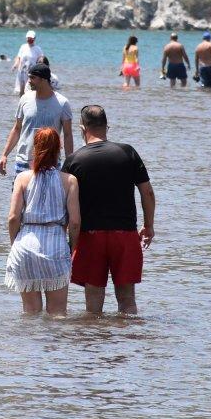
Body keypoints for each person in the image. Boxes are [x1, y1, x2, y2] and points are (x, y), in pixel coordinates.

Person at [62, 105, 155, 315]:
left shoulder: (74, 160)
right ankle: (128, 343)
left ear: (81, 128)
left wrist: (67, 238)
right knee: (127, 301)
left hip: (90, 237)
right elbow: (147, 192)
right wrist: (148, 225)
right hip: (125, 236)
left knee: (93, 305)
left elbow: (65, 204)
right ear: (107, 126)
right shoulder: (127, 152)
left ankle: (96, 344)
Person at [4, 127, 81, 315]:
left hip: (25, 244)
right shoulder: (70, 180)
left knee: (30, 313)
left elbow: (13, 218)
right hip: (55, 245)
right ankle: (53, 345)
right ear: (59, 149)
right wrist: (72, 247)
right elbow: (75, 222)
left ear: (35, 149)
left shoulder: (22, 178)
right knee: (57, 313)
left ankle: (30, 344)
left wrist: (15, 243)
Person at [0, 64, 74, 175]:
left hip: (51, 163)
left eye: (32, 78)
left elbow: (67, 135)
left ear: (43, 80)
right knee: (18, 192)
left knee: (50, 193)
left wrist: (69, 163)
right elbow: (17, 129)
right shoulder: (25, 99)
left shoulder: (62, 103)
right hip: (23, 161)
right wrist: (4, 155)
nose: (28, 81)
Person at [10, 30, 44, 95]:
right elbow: (18, 57)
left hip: (32, 73)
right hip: (21, 71)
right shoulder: (23, 46)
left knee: (30, 90)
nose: (30, 40)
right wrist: (15, 65)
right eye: (28, 39)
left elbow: (41, 59)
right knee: (20, 90)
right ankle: (21, 102)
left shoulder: (38, 49)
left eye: (31, 39)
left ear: (34, 39)